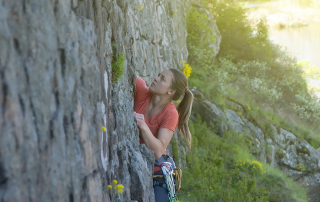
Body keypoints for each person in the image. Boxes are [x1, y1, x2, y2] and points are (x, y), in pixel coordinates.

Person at [133, 68, 193, 202]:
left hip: (156, 169)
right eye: (158, 75)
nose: (156, 78)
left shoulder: (170, 113)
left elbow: (158, 151)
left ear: (171, 91)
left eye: (162, 79)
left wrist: (143, 125)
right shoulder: (143, 92)